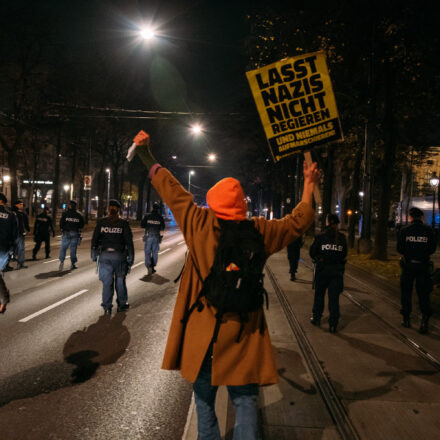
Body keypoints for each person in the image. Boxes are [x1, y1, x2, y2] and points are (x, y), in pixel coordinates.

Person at [130, 130, 318, 440]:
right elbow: (297, 222)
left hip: (204, 334)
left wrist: (145, 153)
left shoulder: (199, 223)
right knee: (244, 401)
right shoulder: (260, 230)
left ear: (212, 203)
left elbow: (170, 188)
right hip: (244, 331)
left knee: (204, 401)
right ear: (242, 206)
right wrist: (309, 185)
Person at [91, 199, 134, 315]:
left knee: (107, 282)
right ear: (118, 210)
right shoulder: (124, 224)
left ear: (108, 209)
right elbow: (129, 242)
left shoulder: (101, 222)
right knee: (120, 281)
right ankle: (122, 304)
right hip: (119, 257)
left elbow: (94, 239)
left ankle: (107, 307)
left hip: (105, 257)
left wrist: (93, 253)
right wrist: (131, 258)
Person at [397, 207, 436, 333]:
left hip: (408, 266)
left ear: (410, 217)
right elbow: (432, 249)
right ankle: (424, 320)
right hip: (423, 266)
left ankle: (406, 318)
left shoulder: (405, 231)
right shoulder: (429, 231)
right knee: (423, 294)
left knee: (406, 293)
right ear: (421, 217)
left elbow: (400, 249)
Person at [309, 213, 347, 333]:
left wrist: (319, 258)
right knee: (334, 299)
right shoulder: (341, 238)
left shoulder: (321, 237)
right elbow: (344, 254)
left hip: (322, 271)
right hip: (336, 273)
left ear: (327, 222)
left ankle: (316, 318)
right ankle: (333, 323)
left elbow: (312, 252)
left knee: (319, 296)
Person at [0, 193, 17, 313]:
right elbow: (14, 234)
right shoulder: (11, 215)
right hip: (4, 248)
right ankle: (3, 298)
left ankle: (4, 298)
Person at [141, 201, 165, 275]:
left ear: (152, 208)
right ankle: (153, 265)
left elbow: (142, 225)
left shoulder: (147, 216)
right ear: (158, 209)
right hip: (156, 236)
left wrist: (148, 225)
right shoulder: (160, 217)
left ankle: (149, 266)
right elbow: (162, 228)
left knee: (147, 252)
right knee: (155, 252)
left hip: (148, 236)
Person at [59, 200, 84, 271]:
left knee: (63, 248)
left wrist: (62, 229)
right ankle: (73, 263)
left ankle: (61, 262)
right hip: (75, 233)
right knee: (73, 249)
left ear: (69, 206)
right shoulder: (79, 215)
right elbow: (82, 225)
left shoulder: (65, 214)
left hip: (66, 232)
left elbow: (61, 223)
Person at [12, 199, 30, 269]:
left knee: (20, 248)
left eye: (22, 204)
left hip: (20, 233)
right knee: (15, 249)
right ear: (16, 205)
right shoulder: (13, 213)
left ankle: (20, 263)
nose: (22, 206)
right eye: (20, 204)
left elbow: (26, 223)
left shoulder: (23, 214)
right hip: (14, 233)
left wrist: (27, 229)